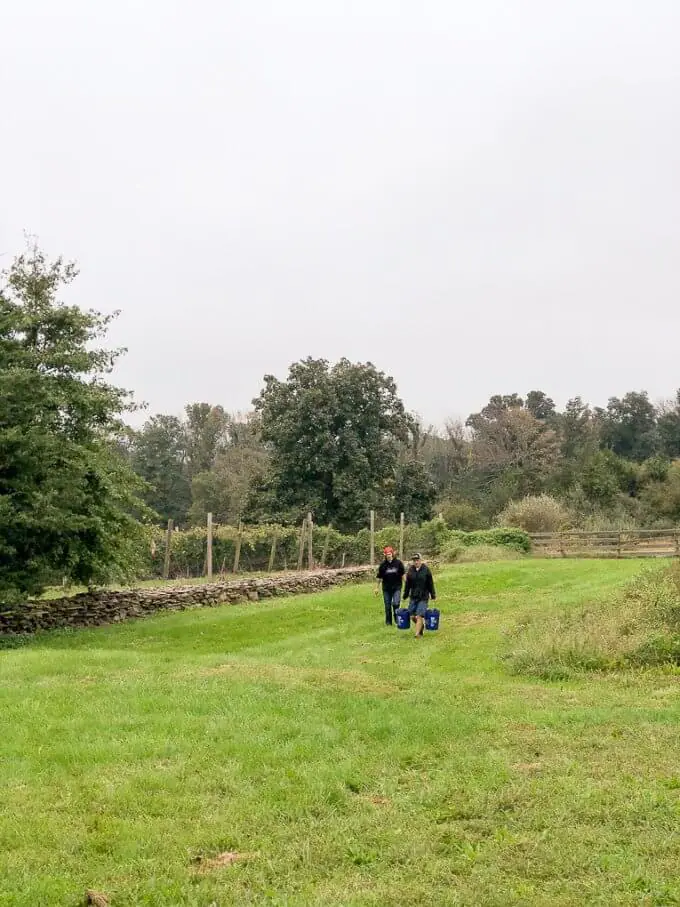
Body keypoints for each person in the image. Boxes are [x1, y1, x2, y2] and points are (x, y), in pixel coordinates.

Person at [403, 553, 436, 638]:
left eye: (417, 560)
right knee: (412, 616)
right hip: (413, 596)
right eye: (414, 561)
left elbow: (430, 583)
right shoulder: (410, 570)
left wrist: (433, 595)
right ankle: (421, 626)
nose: (416, 562)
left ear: (421, 560)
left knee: (419, 615)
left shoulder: (426, 570)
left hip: (423, 596)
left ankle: (417, 634)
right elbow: (408, 584)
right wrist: (405, 595)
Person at [374, 546, 405, 626]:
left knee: (396, 603)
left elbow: (403, 575)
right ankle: (388, 623)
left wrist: (408, 585)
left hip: (397, 587)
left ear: (392, 554)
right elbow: (379, 577)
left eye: (390, 554)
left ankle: (396, 617)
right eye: (387, 554)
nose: (388, 555)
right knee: (387, 606)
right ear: (385, 555)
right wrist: (376, 588)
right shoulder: (383, 565)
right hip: (386, 589)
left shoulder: (398, 563)